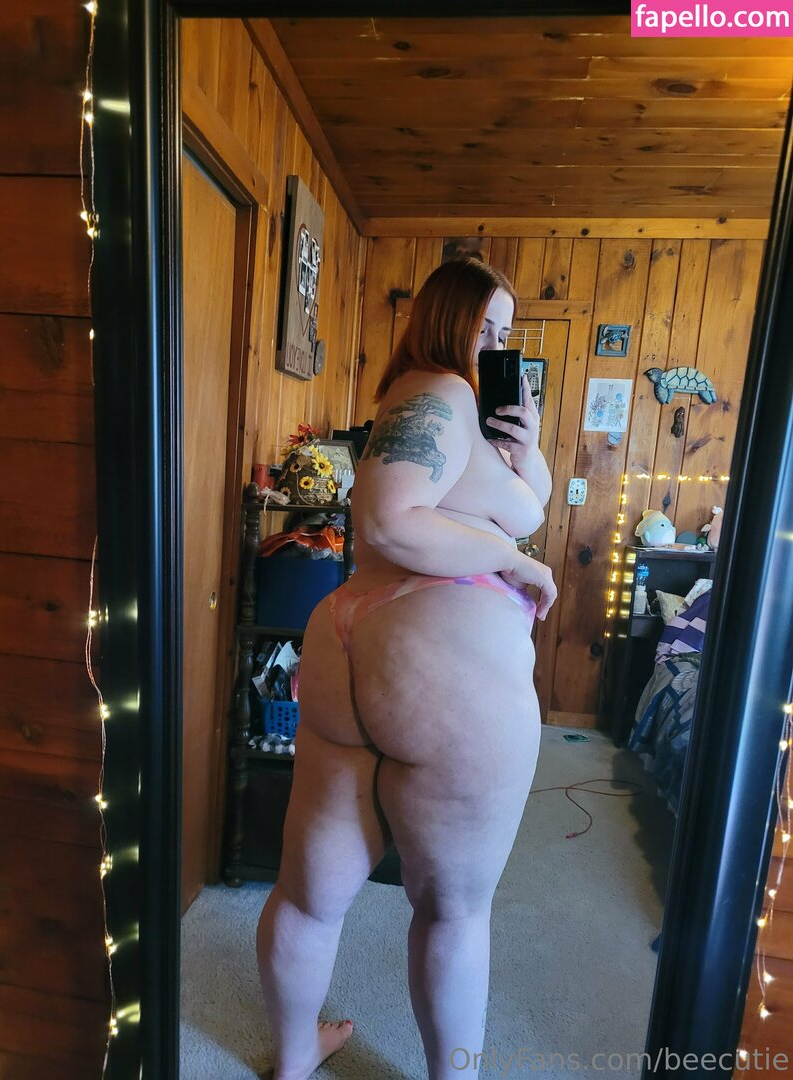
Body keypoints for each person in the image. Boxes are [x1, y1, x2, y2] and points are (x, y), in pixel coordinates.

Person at [256, 257, 557, 1080]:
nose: (496, 346)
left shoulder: (429, 399)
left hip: (351, 643)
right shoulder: (442, 392)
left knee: (310, 894)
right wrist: (512, 559)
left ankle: (293, 1058)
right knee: (455, 912)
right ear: (444, 318)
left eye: (506, 332)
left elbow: (524, 498)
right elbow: (389, 520)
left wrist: (526, 444)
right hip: (442, 659)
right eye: (483, 327)